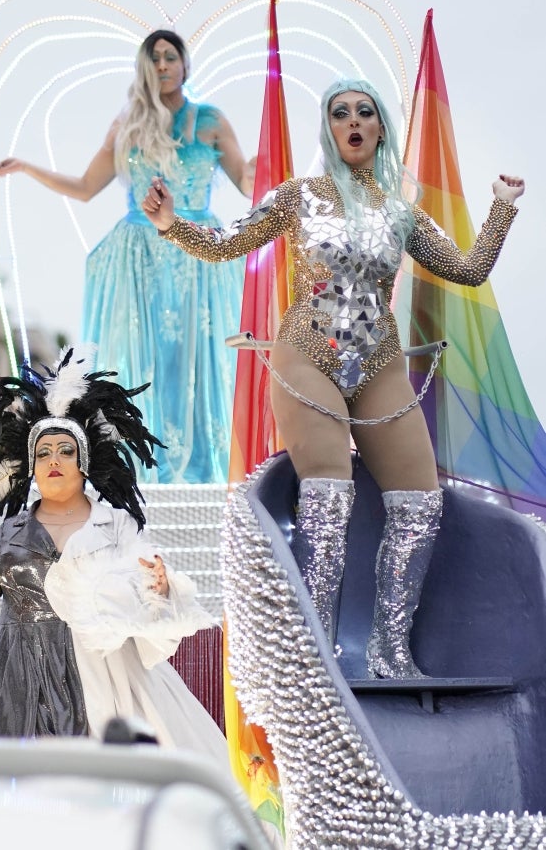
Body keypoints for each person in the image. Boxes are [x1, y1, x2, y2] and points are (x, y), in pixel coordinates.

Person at [142, 77, 525, 679]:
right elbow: (229, 244)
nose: (352, 120)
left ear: (378, 129)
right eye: (339, 111)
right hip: (309, 353)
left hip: (377, 360)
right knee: (327, 495)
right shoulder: (298, 197)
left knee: (421, 502)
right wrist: (170, 224)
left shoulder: (402, 213)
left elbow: (470, 270)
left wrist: (502, 207)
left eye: (364, 112)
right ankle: (316, 658)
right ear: (328, 126)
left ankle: (389, 652)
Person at [0, 347, 226, 758]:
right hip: (10, 676)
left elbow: (147, 588)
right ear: (31, 465)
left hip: (104, 671)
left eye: (65, 451)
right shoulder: (11, 533)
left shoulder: (115, 525)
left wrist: (159, 587)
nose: (53, 460)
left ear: (85, 460)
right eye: (43, 452)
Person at [0, 30, 256, 484]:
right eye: (154, 58)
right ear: (143, 67)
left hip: (196, 251)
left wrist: (275, 156)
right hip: (136, 259)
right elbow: (84, 187)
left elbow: (249, 182)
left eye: (172, 56)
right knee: (142, 358)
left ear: (186, 66)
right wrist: (28, 168)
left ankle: (204, 470)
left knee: (196, 358)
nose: (163, 65)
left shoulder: (210, 120)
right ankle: (140, 468)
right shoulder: (126, 124)